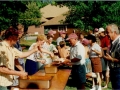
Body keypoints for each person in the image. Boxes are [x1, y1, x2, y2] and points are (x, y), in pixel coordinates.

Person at [104, 23, 120, 89]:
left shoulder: (119, 42)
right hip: (114, 71)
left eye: (108, 32)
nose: (106, 35)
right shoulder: (113, 42)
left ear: (114, 32)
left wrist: (112, 59)